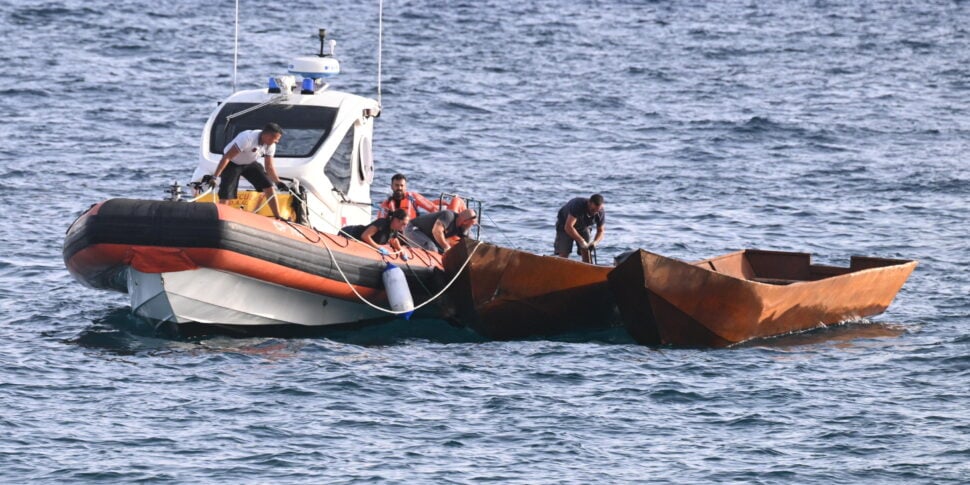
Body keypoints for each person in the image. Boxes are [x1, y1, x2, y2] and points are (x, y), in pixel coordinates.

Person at [202, 123, 287, 219]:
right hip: (232, 164)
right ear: (266, 135)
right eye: (275, 138)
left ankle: (277, 216)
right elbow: (227, 157)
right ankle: (221, 218)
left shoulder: (270, 145)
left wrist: (278, 182)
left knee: (268, 186)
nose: (277, 141)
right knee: (226, 193)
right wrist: (215, 177)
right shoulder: (247, 138)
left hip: (249, 163)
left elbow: (269, 166)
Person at [555, 194, 605, 262]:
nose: (594, 213)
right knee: (564, 253)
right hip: (565, 225)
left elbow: (601, 231)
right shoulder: (578, 205)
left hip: (583, 227)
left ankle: (587, 269)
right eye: (593, 210)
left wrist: (595, 242)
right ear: (589, 203)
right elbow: (568, 227)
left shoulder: (600, 212)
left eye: (597, 211)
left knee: (587, 252)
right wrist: (581, 241)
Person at [403, 209, 477, 253]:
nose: (471, 227)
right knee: (431, 248)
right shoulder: (448, 216)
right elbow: (436, 231)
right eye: (471, 224)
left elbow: (470, 242)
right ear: (465, 222)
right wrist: (446, 246)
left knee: (441, 251)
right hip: (413, 228)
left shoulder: (463, 228)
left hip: (428, 235)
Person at [341, 209, 410, 256]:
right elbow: (365, 236)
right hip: (349, 233)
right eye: (404, 224)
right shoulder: (382, 223)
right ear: (396, 220)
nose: (405, 226)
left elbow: (394, 240)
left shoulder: (394, 229)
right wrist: (378, 247)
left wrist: (400, 249)